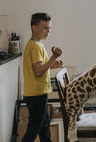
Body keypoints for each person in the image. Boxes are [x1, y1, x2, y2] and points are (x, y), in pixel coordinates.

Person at [22, 13, 64, 142]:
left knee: (44, 127)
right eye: (45, 27)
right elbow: (39, 72)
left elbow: (41, 67)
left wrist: (53, 64)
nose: (48, 31)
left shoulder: (37, 44)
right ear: (34, 28)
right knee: (34, 128)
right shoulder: (35, 46)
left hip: (38, 93)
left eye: (49, 28)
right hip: (36, 94)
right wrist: (53, 57)